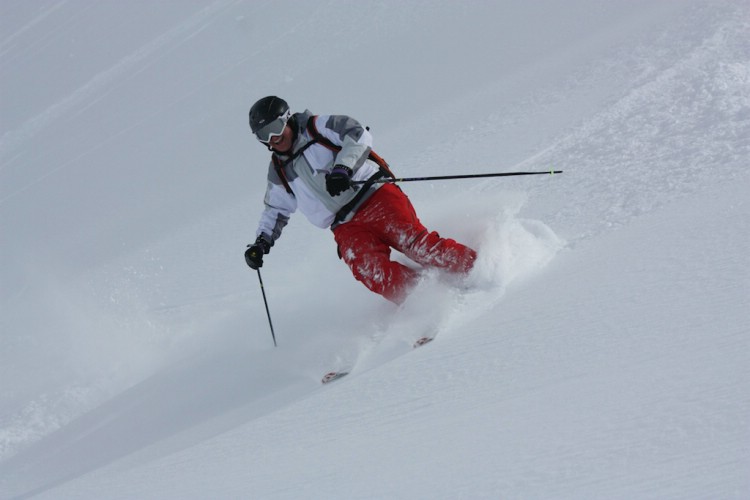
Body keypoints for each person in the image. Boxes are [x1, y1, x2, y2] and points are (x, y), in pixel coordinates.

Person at [244, 96, 477, 304]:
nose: (273, 139)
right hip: (345, 225)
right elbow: (275, 209)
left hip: (374, 195)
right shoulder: (279, 170)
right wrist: (261, 243)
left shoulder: (317, 128)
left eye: (275, 128)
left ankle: (477, 271)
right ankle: (428, 303)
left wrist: (343, 168)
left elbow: (357, 135)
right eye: (263, 136)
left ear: (286, 119)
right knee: (372, 272)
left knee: (416, 246)